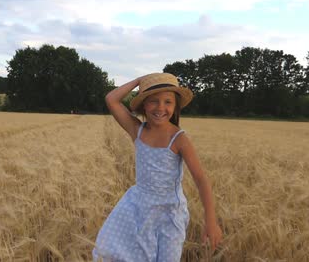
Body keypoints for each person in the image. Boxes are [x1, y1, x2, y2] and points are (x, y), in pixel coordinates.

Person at [93, 73, 223, 261]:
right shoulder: (136, 130)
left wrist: (211, 221)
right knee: (117, 253)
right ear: (143, 105)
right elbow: (111, 99)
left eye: (168, 102)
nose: (160, 107)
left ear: (175, 106)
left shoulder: (179, 139)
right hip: (137, 208)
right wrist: (140, 81)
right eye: (153, 101)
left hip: (168, 214)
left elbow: (201, 179)